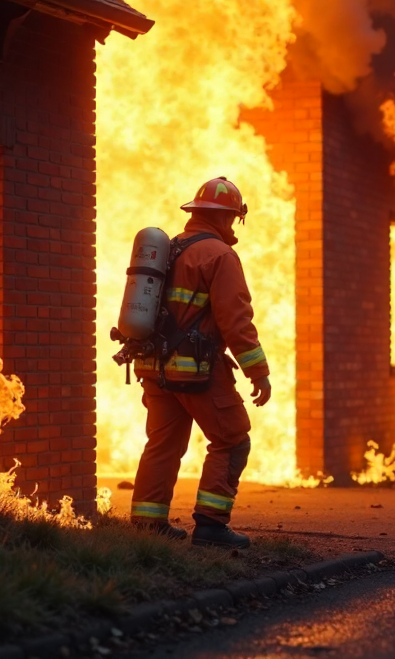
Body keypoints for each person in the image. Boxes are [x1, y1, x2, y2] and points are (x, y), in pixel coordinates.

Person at [129, 176, 271, 549]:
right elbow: (236, 321)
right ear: (227, 218)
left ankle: (147, 524)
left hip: (155, 369)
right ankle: (211, 525)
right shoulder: (220, 256)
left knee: (162, 443)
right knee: (232, 439)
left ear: (196, 213)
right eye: (234, 219)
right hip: (198, 373)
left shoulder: (170, 249)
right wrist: (258, 370)